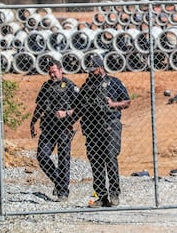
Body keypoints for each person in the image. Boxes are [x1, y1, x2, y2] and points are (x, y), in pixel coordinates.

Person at [75, 55, 130, 208]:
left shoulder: (114, 82)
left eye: (93, 70)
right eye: (89, 71)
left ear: (100, 68)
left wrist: (113, 104)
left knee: (110, 158)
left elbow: (127, 101)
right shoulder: (86, 86)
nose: (90, 73)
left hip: (110, 126)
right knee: (96, 162)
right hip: (92, 128)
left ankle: (114, 194)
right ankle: (100, 195)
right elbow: (79, 107)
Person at [30, 59, 79, 202]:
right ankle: (59, 182)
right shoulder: (45, 86)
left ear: (60, 70)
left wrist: (67, 113)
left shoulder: (70, 86)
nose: (52, 75)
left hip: (64, 128)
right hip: (48, 127)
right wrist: (32, 123)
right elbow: (39, 106)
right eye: (49, 72)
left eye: (54, 72)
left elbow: (81, 107)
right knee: (42, 156)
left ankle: (63, 192)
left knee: (63, 159)